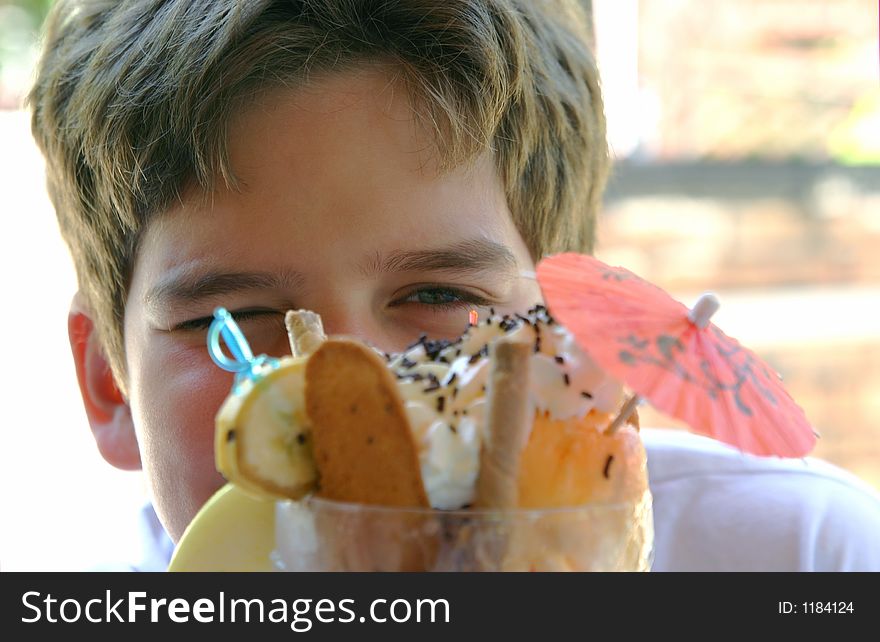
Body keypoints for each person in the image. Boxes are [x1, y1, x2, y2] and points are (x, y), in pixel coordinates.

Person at [28, 0, 880, 571]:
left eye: (439, 297)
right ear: (109, 385)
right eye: (240, 318)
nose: (355, 401)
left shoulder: (805, 557)